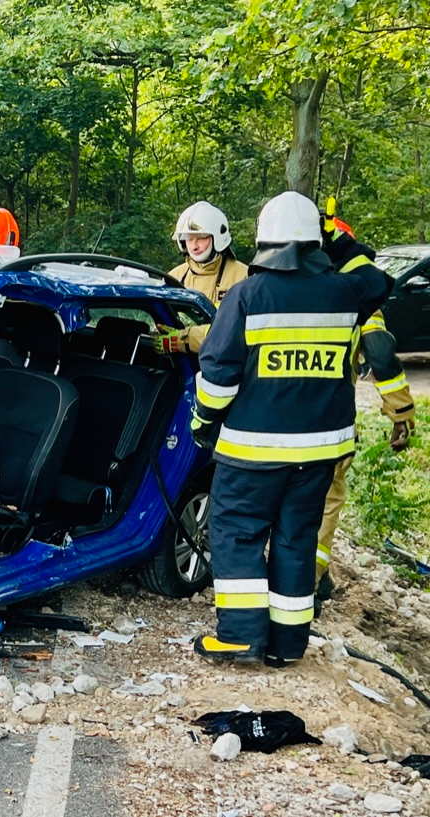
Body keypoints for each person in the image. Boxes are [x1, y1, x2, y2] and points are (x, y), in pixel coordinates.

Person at [189, 191, 392, 667]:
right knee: (297, 538)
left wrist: (203, 422)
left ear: (265, 240)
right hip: (320, 452)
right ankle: (286, 646)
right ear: (314, 241)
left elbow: (218, 376)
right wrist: (342, 244)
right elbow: (379, 281)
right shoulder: (346, 293)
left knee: (236, 533)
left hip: (253, 452)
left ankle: (240, 637)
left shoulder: (248, 295)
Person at [313, 215, 416, 610]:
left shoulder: (277, 285)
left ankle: (309, 575)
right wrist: (401, 411)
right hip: (330, 421)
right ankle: (309, 579)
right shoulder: (355, 293)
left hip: (269, 420)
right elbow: (380, 353)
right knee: (325, 501)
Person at [154, 202, 249, 354]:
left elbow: (240, 331)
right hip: (183, 364)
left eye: (201, 238)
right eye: (189, 238)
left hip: (226, 364)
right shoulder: (174, 278)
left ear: (218, 237)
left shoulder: (244, 277)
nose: (194, 246)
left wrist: (185, 340)